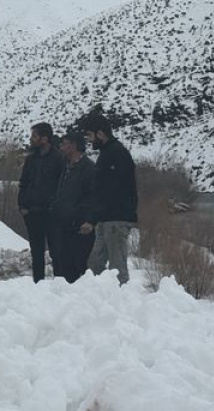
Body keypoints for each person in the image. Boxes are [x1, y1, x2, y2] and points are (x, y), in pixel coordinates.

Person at [80, 113, 138, 285]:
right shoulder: (106, 154)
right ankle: (103, 296)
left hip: (117, 218)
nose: (90, 141)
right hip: (105, 219)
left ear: (100, 133)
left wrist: (94, 217)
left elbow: (111, 190)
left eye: (90, 136)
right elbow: (101, 191)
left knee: (117, 266)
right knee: (95, 263)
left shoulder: (117, 154)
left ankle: (121, 299)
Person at [18, 122, 66, 282]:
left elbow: (63, 185)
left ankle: (59, 284)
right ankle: (38, 284)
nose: (31, 139)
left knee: (56, 251)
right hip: (32, 213)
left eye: (35, 136)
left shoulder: (59, 159)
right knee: (36, 252)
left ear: (45, 139)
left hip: (51, 214)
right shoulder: (31, 159)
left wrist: (56, 207)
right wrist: (23, 206)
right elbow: (23, 183)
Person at [50, 132, 96, 283]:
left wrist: (89, 220)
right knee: (63, 267)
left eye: (64, 144)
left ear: (73, 146)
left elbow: (93, 196)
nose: (61, 148)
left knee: (78, 268)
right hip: (62, 224)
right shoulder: (66, 167)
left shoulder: (89, 169)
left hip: (79, 227)